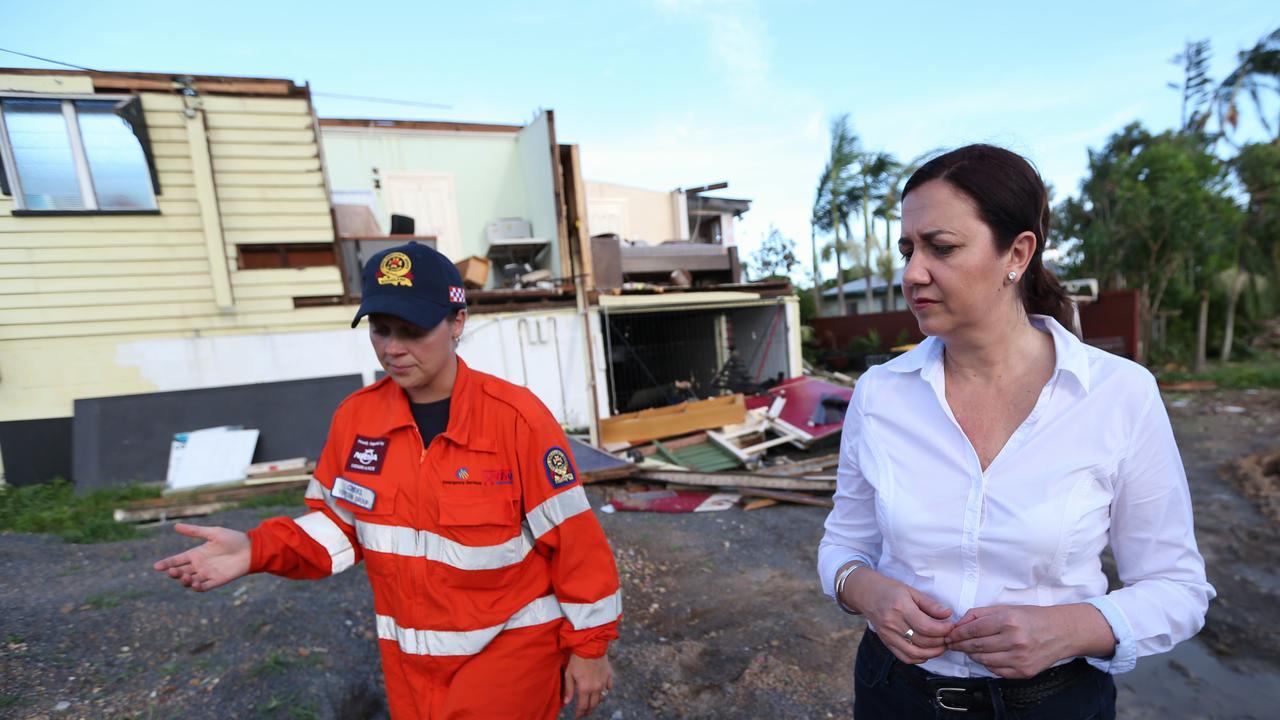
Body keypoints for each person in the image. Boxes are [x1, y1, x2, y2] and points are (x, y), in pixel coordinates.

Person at [817, 144, 1214, 719]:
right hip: (894, 695)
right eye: (907, 249)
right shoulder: (880, 394)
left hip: (1054, 704)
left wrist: (1073, 628)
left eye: (941, 247)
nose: (912, 273)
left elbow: (1177, 588)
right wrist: (866, 591)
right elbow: (843, 546)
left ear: (1018, 253)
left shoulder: (1118, 394)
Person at [155, 242, 621, 719]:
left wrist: (590, 648)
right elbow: (338, 528)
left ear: (457, 323)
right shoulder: (356, 419)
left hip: (510, 648)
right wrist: (254, 549)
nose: (392, 349)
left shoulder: (517, 419)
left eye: (413, 331)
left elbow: (575, 543)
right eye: (380, 330)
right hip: (410, 664)